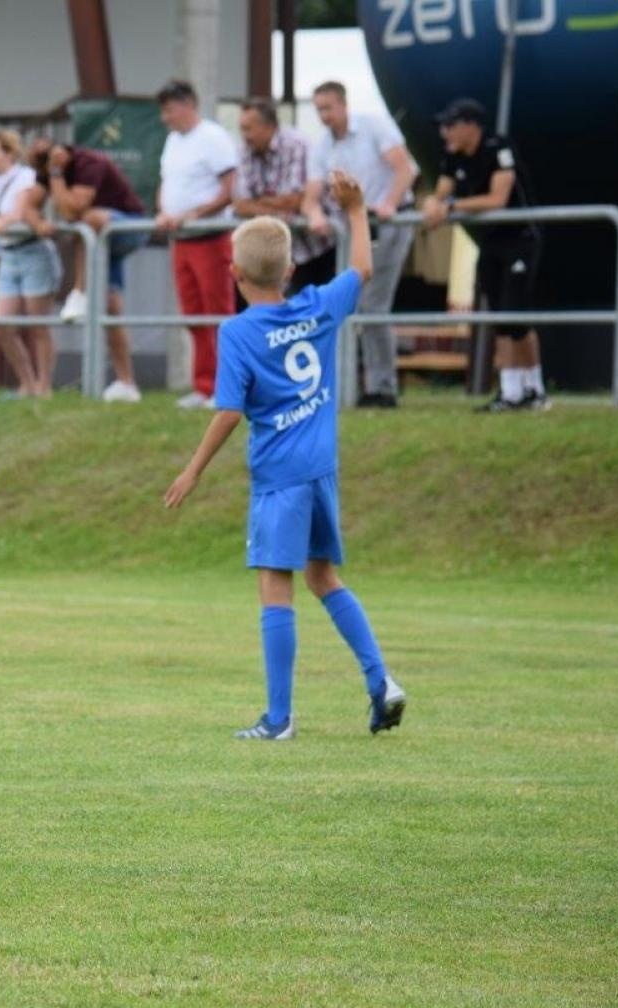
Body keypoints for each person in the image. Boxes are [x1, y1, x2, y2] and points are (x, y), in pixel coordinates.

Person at [164, 171, 407, 741]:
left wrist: (192, 470)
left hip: (278, 477)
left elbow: (228, 411)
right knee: (323, 575)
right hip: (321, 470)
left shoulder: (240, 333)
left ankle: (278, 720)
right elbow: (365, 270)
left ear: (234, 274)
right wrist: (354, 211)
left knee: (276, 583)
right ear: (291, 271)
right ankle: (381, 682)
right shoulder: (318, 306)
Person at [422, 98, 546, 413]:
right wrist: (433, 204)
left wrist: (451, 207)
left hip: (520, 238)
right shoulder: (452, 156)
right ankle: (513, 392)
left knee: (514, 314)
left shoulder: (498, 147)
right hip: (489, 243)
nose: (444, 132)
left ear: (470, 125)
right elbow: (441, 193)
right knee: (501, 316)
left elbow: (497, 198)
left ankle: (532, 389)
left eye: (450, 125)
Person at [303, 81, 419, 408]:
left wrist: (389, 204)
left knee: (372, 304)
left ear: (343, 104)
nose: (323, 116)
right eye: (318, 109)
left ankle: (383, 387)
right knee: (353, 304)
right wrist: (314, 214)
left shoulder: (374, 125)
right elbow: (310, 197)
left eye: (327, 107)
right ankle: (357, 384)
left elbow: (404, 169)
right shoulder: (322, 145)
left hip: (384, 222)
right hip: (354, 226)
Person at [34, 137, 147, 402]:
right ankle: (127, 383)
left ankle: (80, 291)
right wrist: (37, 223)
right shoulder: (48, 170)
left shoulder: (89, 162)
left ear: (62, 153)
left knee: (88, 220)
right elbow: (28, 203)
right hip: (101, 242)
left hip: (127, 229)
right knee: (111, 307)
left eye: (50, 158)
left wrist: (56, 174)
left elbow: (72, 211)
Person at [154, 79, 237, 409]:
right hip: (182, 241)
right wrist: (164, 212)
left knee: (219, 313)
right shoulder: (173, 141)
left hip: (211, 238)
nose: (165, 117)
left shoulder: (214, 138)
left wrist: (192, 214)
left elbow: (228, 190)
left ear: (188, 104)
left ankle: (226, 386)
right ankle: (203, 385)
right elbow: (167, 183)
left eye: (169, 109)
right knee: (193, 314)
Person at [0, 128, 58, 398]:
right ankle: (27, 383)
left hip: (32, 252)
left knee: (36, 323)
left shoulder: (26, 176)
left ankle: (44, 386)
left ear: (9, 153)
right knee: (3, 325)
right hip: (7, 255)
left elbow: (20, 212)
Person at [234, 98, 332, 295]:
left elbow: (296, 201)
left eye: (248, 128)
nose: (244, 136)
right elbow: (240, 205)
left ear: (268, 126)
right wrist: (278, 205)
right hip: (272, 254)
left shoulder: (297, 144)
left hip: (312, 249)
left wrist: (259, 201)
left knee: (316, 317)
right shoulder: (244, 150)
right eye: (242, 129)